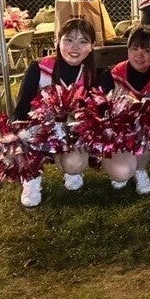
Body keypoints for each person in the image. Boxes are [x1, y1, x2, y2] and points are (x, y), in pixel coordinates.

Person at [14, 18, 96, 207]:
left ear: (92, 46)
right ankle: (31, 180)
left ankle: (71, 171)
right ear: (57, 41)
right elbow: (20, 111)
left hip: (67, 134)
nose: (75, 47)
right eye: (69, 40)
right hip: (37, 133)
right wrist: (19, 137)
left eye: (83, 41)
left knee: (75, 164)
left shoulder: (89, 74)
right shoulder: (39, 68)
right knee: (24, 135)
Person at [96, 25, 150, 195]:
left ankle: (141, 170)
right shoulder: (111, 75)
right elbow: (97, 113)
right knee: (121, 174)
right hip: (118, 136)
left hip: (147, 139)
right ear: (128, 49)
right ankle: (124, 165)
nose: (139, 54)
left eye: (147, 50)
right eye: (135, 48)